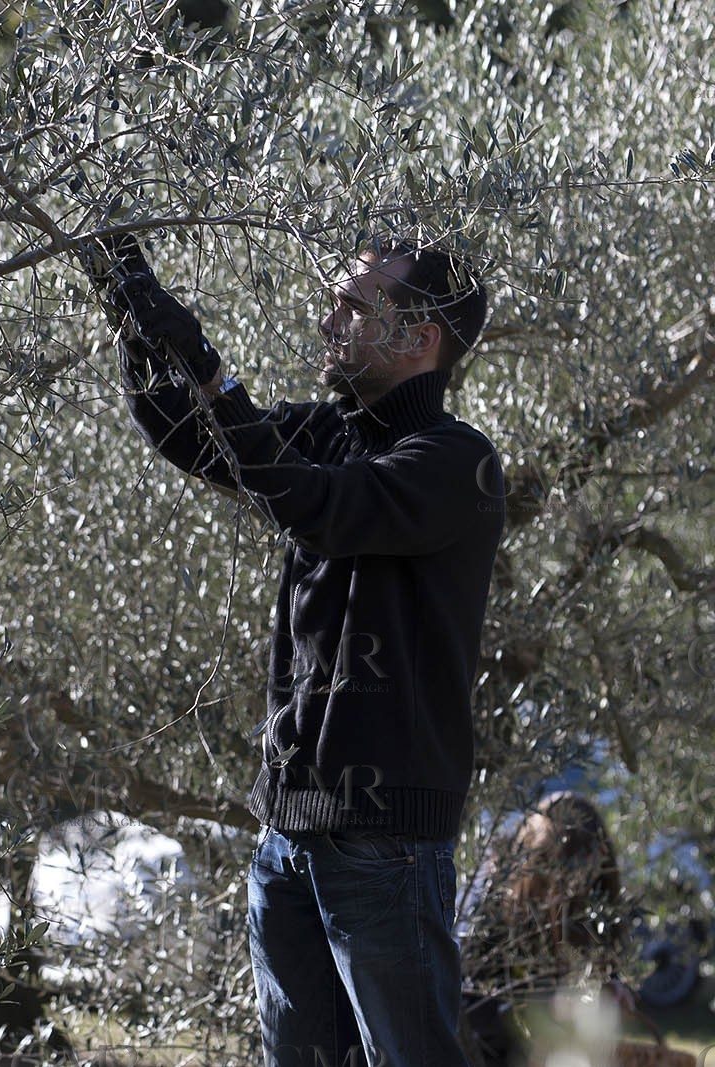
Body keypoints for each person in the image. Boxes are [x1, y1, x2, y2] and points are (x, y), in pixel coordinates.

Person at [97, 234, 504, 1066]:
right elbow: (192, 437)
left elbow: (313, 502)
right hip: (289, 831)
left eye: (356, 306)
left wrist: (207, 363)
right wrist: (135, 321)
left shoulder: (455, 464)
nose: (331, 321)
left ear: (419, 337)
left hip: (385, 841)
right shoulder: (329, 431)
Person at [459, 792, 634, 1065]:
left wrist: (613, 984)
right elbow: (469, 1006)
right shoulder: (493, 907)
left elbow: (603, 964)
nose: (562, 897)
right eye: (550, 880)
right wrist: (538, 1014)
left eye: (579, 885)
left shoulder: (600, 902)